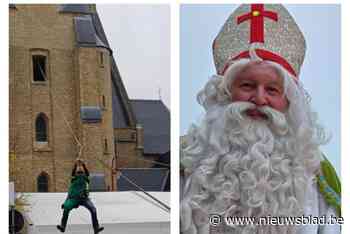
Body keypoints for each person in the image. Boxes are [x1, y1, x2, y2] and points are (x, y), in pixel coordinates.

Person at [180, 4, 341, 234]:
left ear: (289, 100)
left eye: (272, 89)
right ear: (225, 93)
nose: (259, 98)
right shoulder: (188, 161)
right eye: (247, 85)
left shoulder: (317, 172)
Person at [57, 159, 104, 234]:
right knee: (66, 208)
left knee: (93, 209)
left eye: (81, 173)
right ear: (76, 174)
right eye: (79, 173)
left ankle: (96, 228)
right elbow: (69, 193)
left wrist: (83, 165)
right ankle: (63, 226)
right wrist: (76, 165)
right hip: (74, 199)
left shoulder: (85, 179)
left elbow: (87, 174)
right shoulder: (73, 180)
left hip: (84, 199)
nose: (80, 174)